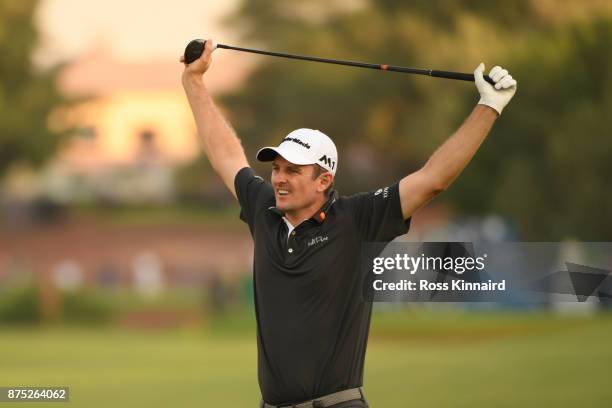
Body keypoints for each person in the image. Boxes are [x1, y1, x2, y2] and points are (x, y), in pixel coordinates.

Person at [180, 39, 517, 408]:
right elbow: (226, 154)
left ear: (324, 181)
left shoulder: (358, 220)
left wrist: (489, 106)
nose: (278, 179)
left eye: (293, 171)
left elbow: (432, 179)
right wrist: (193, 82)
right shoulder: (264, 212)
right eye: (276, 168)